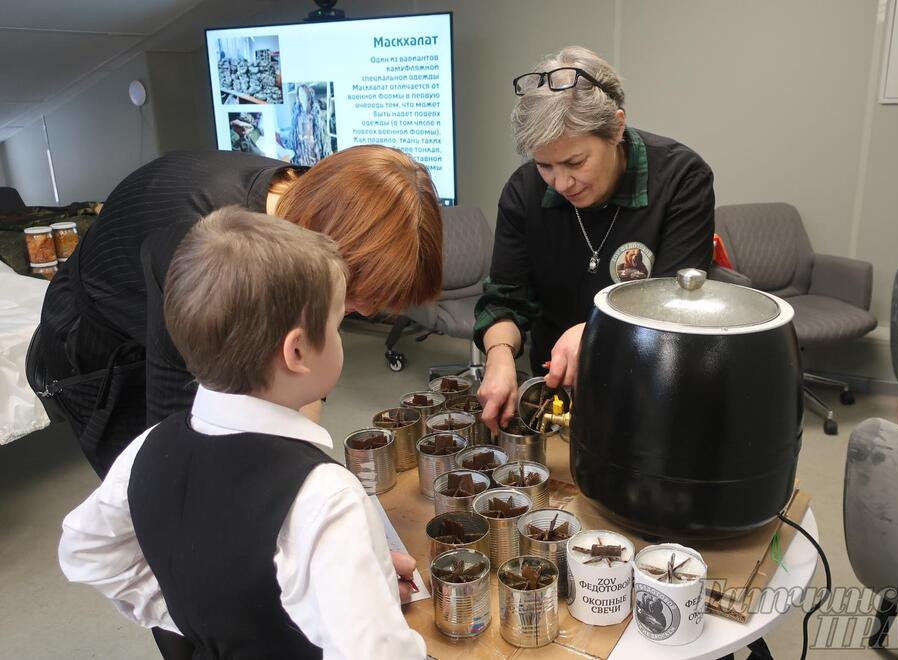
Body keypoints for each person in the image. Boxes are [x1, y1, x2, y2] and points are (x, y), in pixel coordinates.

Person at [59, 207, 427, 659]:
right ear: (297, 351)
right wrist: (369, 597)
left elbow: (85, 549)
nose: (341, 338)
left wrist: (190, 616)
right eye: (336, 326)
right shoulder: (326, 495)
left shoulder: (145, 448)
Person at [36, 145, 442, 479]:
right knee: (161, 492)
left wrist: (305, 474)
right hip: (102, 348)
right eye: (356, 295)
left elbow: (301, 380)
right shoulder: (204, 249)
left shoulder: (313, 208)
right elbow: (174, 447)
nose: (365, 313)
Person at [474, 47, 715, 431]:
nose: (561, 183)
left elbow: (675, 304)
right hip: (555, 385)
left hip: (650, 382)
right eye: (544, 165)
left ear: (616, 128)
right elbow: (505, 299)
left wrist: (596, 331)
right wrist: (500, 356)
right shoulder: (524, 192)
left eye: (575, 162)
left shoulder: (680, 179)